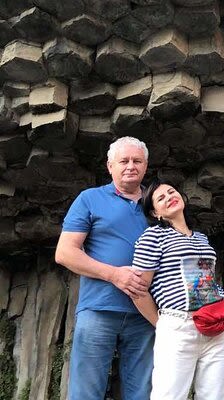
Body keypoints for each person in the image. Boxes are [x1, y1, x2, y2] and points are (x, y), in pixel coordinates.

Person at [55, 136, 154, 400]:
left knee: (142, 393)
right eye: (123, 161)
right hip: (99, 309)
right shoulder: (90, 199)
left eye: (137, 161)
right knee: (87, 391)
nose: (130, 166)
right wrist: (115, 274)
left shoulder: (156, 205)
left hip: (147, 314)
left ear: (145, 166)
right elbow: (65, 253)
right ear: (110, 166)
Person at [132, 181, 224, 400]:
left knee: (216, 396)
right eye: (161, 198)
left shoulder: (201, 238)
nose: (169, 197)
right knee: (169, 395)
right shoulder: (152, 237)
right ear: (154, 212)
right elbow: (138, 290)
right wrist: (165, 325)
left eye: (171, 192)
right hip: (179, 324)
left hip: (218, 325)